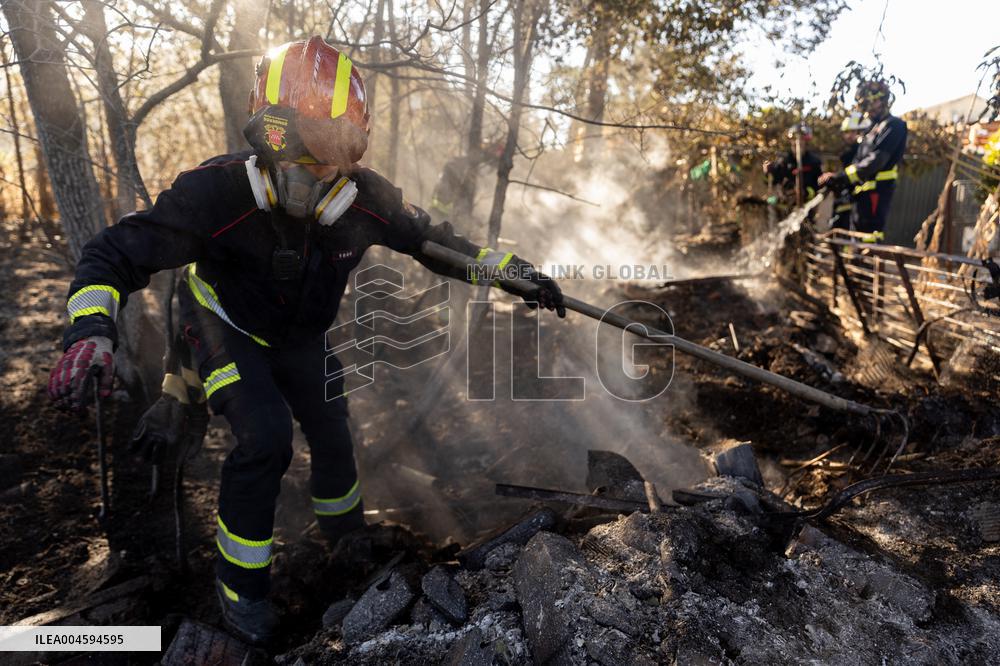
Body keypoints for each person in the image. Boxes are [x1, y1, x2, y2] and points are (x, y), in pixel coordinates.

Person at [46, 36, 565, 644]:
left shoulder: (365, 200)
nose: (319, 169)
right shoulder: (213, 195)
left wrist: (508, 272)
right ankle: (242, 595)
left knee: (332, 428)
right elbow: (112, 254)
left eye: (335, 149)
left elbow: (437, 244)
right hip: (225, 327)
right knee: (265, 439)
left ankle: (344, 541)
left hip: (301, 336)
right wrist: (91, 332)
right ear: (268, 136)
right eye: (305, 145)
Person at [820, 80, 908, 242]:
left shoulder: (894, 125)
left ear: (882, 100)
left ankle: (867, 264)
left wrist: (842, 176)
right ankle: (855, 264)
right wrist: (838, 181)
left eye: (871, 103)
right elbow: (857, 161)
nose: (868, 108)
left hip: (877, 192)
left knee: (869, 239)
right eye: (865, 104)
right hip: (861, 195)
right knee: (856, 237)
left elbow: (876, 161)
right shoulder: (870, 130)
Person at [828, 112, 872, 230]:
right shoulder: (845, 153)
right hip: (842, 200)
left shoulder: (863, 150)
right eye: (846, 132)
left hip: (857, 200)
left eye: (852, 132)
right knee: (836, 230)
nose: (849, 136)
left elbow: (858, 173)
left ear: (859, 132)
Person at [763, 123, 823, 204]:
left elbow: (819, 186)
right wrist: (767, 172)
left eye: (801, 139)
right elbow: (772, 182)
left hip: (808, 205)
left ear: (806, 142)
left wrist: (806, 192)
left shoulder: (814, 162)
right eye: (794, 139)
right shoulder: (784, 161)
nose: (797, 142)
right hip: (786, 204)